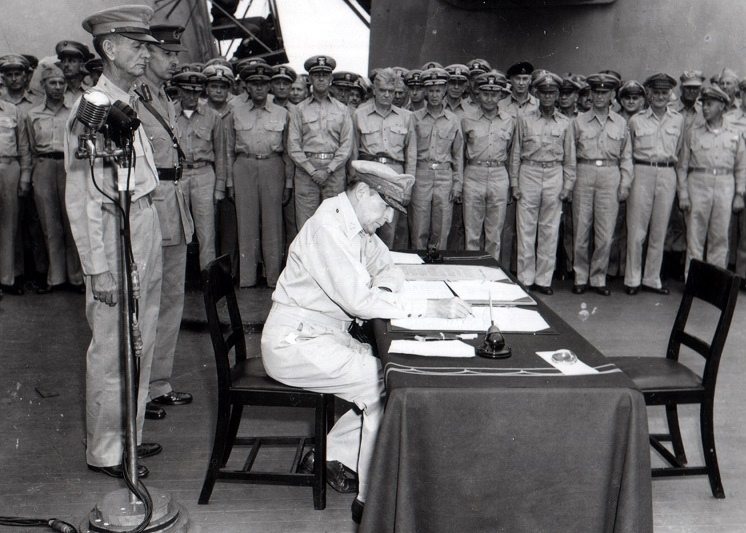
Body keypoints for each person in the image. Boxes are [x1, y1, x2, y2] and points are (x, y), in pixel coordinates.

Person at [261, 161, 471, 524]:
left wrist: (381, 289)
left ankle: (332, 454)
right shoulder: (329, 228)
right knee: (384, 384)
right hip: (295, 342)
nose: (389, 218)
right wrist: (427, 306)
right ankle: (371, 500)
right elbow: (359, 302)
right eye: (385, 206)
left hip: (324, 335)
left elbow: (387, 268)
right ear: (362, 192)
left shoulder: (355, 225)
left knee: (388, 379)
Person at [64, 4, 163, 477]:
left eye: (147, 46)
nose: (146, 54)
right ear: (109, 47)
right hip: (112, 232)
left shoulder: (129, 100)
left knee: (139, 340)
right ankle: (106, 452)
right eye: (138, 46)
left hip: (142, 223)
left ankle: (130, 438)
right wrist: (97, 268)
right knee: (111, 347)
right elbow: (82, 197)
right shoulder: (93, 111)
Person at [137, 24, 194, 419]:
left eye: (176, 55)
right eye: (167, 54)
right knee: (145, 306)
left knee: (171, 302)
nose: (174, 62)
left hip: (174, 207)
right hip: (150, 210)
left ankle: (158, 385)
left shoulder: (163, 97)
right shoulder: (134, 99)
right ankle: (138, 393)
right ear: (146, 54)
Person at [227, 62, 292, 288]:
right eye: (254, 84)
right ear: (246, 86)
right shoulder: (235, 112)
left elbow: (289, 151)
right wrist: (229, 182)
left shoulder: (283, 113)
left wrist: (288, 183)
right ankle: (247, 279)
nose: (259, 89)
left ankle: (273, 278)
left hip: (273, 167)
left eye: (264, 84)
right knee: (246, 225)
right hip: (244, 167)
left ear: (269, 86)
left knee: (273, 224)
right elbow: (228, 149)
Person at [510, 72, 575, 295]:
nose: (547, 97)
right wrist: (515, 184)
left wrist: (567, 186)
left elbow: (570, 158)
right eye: (543, 92)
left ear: (557, 95)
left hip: (554, 173)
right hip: (529, 171)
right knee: (526, 228)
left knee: (549, 229)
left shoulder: (566, 123)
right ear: (536, 93)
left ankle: (544, 280)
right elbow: (516, 152)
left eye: (552, 93)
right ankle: (525, 278)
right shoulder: (525, 119)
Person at [570, 72, 632, 296]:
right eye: (596, 92)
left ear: (612, 95)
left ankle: (598, 278)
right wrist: (570, 182)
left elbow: (626, 155)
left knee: (605, 233)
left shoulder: (621, 122)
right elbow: (570, 156)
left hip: (610, 173)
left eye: (604, 92)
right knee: (581, 229)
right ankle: (579, 276)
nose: (599, 96)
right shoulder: (578, 121)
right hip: (584, 172)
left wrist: (625, 182)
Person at [26, 63, 84, 294]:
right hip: (43, 166)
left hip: (70, 167)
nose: (58, 87)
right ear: (43, 85)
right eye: (53, 82)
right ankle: (56, 278)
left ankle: (77, 278)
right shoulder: (33, 114)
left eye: (61, 82)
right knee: (49, 224)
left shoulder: (75, 111)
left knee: (72, 222)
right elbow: (29, 147)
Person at [624, 73, 684, 295]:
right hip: (642, 171)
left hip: (667, 172)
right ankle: (632, 279)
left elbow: (679, 151)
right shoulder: (636, 120)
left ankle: (651, 278)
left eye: (664, 92)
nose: (660, 96)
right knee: (636, 230)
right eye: (655, 92)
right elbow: (628, 153)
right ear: (648, 93)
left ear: (670, 94)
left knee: (659, 229)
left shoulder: (678, 120)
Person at [677, 85, 746, 279]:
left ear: (722, 106)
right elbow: (682, 166)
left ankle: (716, 284)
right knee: (695, 236)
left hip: (725, 184)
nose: (705, 108)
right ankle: (693, 282)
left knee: (720, 237)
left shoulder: (734, 133)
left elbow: (741, 166)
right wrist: (683, 193)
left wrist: (740, 194)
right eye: (703, 104)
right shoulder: (694, 133)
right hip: (698, 183)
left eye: (709, 104)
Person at [352, 67, 417, 249]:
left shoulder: (406, 117)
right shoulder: (360, 114)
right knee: (364, 227)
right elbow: (353, 151)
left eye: (391, 91)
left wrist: (407, 188)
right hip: (367, 174)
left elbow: (411, 155)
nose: (387, 95)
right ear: (374, 90)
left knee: (389, 229)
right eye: (382, 90)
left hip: (394, 176)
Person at [287, 55, 353, 229]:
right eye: (317, 75)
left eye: (325, 74)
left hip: (334, 173)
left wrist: (328, 170)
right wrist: (312, 170)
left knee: (334, 226)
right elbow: (293, 146)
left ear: (331, 79)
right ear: (310, 79)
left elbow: (346, 145)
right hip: (306, 173)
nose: (321, 78)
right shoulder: (298, 110)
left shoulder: (342, 110)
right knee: (307, 226)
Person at [173, 71, 227, 270]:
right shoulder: (169, 113)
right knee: (178, 230)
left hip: (204, 175)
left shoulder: (213, 116)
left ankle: (208, 282)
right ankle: (180, 279)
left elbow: (221, 153)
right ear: (179, 91)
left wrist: (220, 187)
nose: (192, 97)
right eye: (187, 92)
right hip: (179, 175)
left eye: (196, 93)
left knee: (206, 232)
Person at [461, 71, 514, 260]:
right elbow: (460, 154)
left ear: (501, 95)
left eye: (494, 94)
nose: (489, 98)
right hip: (474, 173)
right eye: (485, 93)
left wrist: (511, 183)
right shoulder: (467, 119)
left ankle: (492, 272)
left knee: (494, 232)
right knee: (472, 230)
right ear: (478, 94)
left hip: (499, 174)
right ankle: (473, 273)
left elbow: (512, 153)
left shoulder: (509, 121)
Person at [409, 67, 464, 250]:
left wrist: (457, 183)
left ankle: (437, 267)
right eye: (431, 90)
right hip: (422, 173)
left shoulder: (453, 119)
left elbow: (457, 155)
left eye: (438, 90)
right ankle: (418, 267)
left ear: (445, 90)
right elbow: (410, 151)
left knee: (441, 228)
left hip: (444, 176)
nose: (434, 95)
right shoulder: (414, 118)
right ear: (425, 91)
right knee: (419, 226)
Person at [55, 40, 92, 107]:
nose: (66, 64)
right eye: (63, 61)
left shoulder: (91, 93)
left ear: (81, 66)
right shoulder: (56, 92)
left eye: (71, 61)